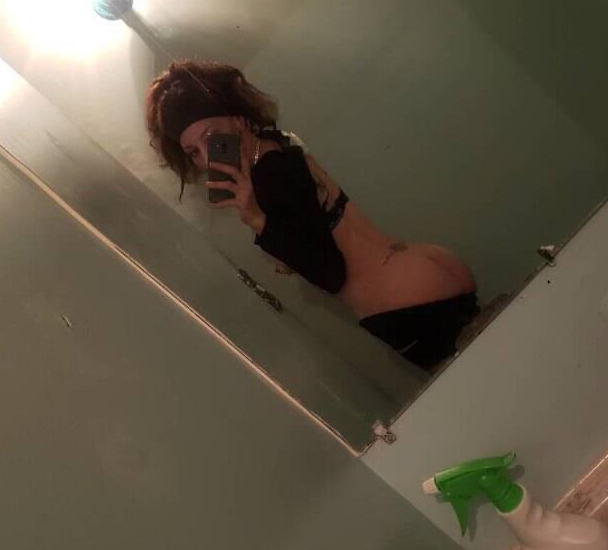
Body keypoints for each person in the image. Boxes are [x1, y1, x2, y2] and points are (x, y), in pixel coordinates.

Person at [145, 60, 478, 371]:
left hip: (402, 302)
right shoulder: (275, 144)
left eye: (210, 137)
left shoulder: (266, 179)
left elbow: (331, 273)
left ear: (235, 118)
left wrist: (256, 219)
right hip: (420, 266)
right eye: (193, 151)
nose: (206, 157)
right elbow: (317, 226)